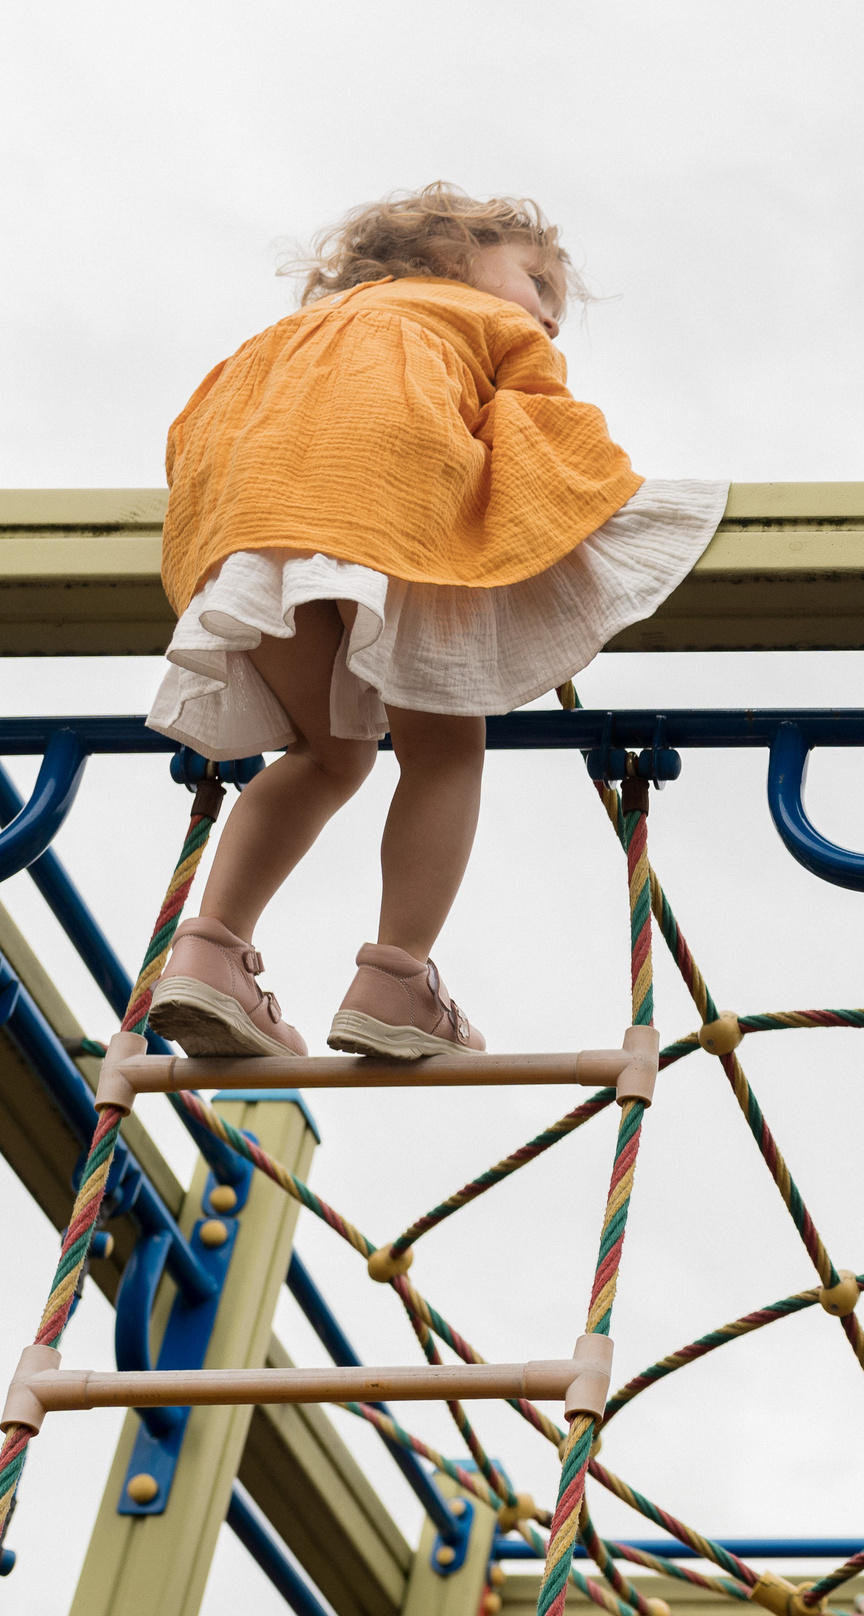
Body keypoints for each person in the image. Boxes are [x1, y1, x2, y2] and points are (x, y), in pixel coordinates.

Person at [143, 184, 725, 1061]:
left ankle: (209, 949)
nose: (549, 319)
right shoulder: (473, 324)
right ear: (452, 258)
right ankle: (397, 977)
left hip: (250, 515)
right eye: (538, 282)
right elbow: (543, 431)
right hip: (390, 494)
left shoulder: (288, 339)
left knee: (326, 752)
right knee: (443, 747)